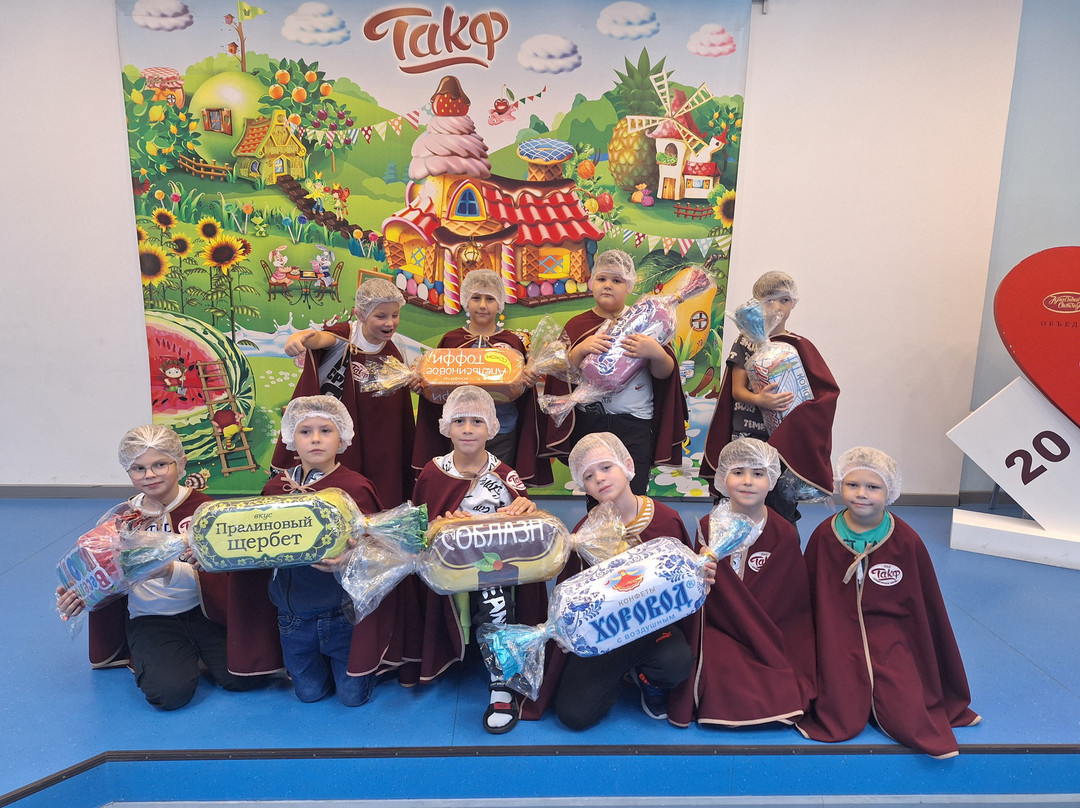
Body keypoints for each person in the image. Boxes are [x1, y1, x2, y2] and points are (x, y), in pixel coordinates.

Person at [55, 425, 281, 710]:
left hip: (206, 611)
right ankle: (168, 653)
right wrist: (80, 595)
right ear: (128, 471)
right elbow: (97, 571)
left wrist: (171, 570)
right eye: (138, 468)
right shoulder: (121, 519)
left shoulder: (205, 511)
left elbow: (232, 574)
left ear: (180, 463)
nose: (149, 475)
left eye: (160, 464)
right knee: (169, 694)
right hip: (151, 617)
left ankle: (190, 653)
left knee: (245, 678)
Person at [795, 447, 980, 758]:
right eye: (852, 485)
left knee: (906, 710)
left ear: (889, 491)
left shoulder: (905, 540)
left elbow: (924, 607)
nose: (861, 494)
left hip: (894, 638)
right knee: (839, 706)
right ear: (840, 485)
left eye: (873, 486)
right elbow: (808, 601)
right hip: (836, 637)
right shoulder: (825, 536)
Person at [523, 432, 696, 729]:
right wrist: (565, 630)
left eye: (606, 467)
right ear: (583, 486)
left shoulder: (665, 519)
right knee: (574, 715)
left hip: (654, 628)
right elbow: (572, 595)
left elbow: (684, 578)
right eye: (589, 476)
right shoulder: (584, 533)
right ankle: (620, 675)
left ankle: (648, 679)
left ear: (627, 465)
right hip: (606, 634)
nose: (600, 479)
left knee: (675, 663)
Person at [259, 395, 418, 705]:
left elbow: (380, 546)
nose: (315, 439)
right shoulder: (276, 488)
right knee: (309, 694)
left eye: (326, 430)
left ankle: (355, 674)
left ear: (342, 437)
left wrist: (350, 557)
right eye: (305, 431)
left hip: (341, 611)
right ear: (291, 438)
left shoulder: (355, 487)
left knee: (352, 696)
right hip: (292, 612)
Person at [412, 386, 547, 733]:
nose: (468, 429)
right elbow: (418, 529)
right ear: (446, 426)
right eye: (459, 421)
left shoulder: (505, 475)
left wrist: (526, 510)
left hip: (492, 566)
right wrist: (439, 526)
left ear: (492, 427)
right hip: (448, 566)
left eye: (477, 421)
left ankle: (502, 682)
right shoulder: (433, 471)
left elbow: (525, 530)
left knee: (496, 603)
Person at [668, 437, 815, 728]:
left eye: (758, 473)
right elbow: (699, 599)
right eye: (738, 472)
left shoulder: (784, 533)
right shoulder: (708, 527)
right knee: (720, 665)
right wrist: (702, 579)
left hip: (768, 628)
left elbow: (793, 602)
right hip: (720, 626)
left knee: (777, 673)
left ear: (771, 480)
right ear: (723, 478)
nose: (747, 481)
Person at [543, 249, 687, 504]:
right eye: (602, 279)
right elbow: (562, 374)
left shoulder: (646, 319)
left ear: (629, 286)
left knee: (635, 492)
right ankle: (598, 530)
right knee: (597, 495)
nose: (608, 285)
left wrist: (655, 352)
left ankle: (634, 531)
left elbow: (664, 375)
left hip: (634, 423)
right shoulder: (576, 325)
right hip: (591, 423)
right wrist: (579, 350)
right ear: (592, 283)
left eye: (617, 280)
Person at [701, 271, 839, 524]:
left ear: (793, 303)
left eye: (784, 300)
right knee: (740, 500)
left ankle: (782, 543)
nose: (777, 307)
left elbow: (816, 397)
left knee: (779, 504)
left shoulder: (797, 346)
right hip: (746, 436)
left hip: (781, 444)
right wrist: (760, 401)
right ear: (757, 303)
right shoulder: (745, 341)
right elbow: (736, 390)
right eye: (769, 300)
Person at [274, 278, 414, 506]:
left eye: (395, 315)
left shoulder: (397, 347)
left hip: (384, 433)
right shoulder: (345, 336)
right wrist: (299, 337)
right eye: (381, 316)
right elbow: (320, 338)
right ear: (360, 315)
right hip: (346, 433)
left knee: (385, 483)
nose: (390, 322)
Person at [411, 269, 551, 487]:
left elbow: (520, 391)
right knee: (459, 487)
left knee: (498, 488)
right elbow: (437, 386)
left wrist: (528, 382)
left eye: (490, 299)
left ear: (500, 304)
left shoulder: (512, 343)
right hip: (460, 432)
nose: (483, 305)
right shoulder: (451, 341)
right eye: (476, 298)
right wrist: (422, 386)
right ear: (466, 301)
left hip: (503, 429)